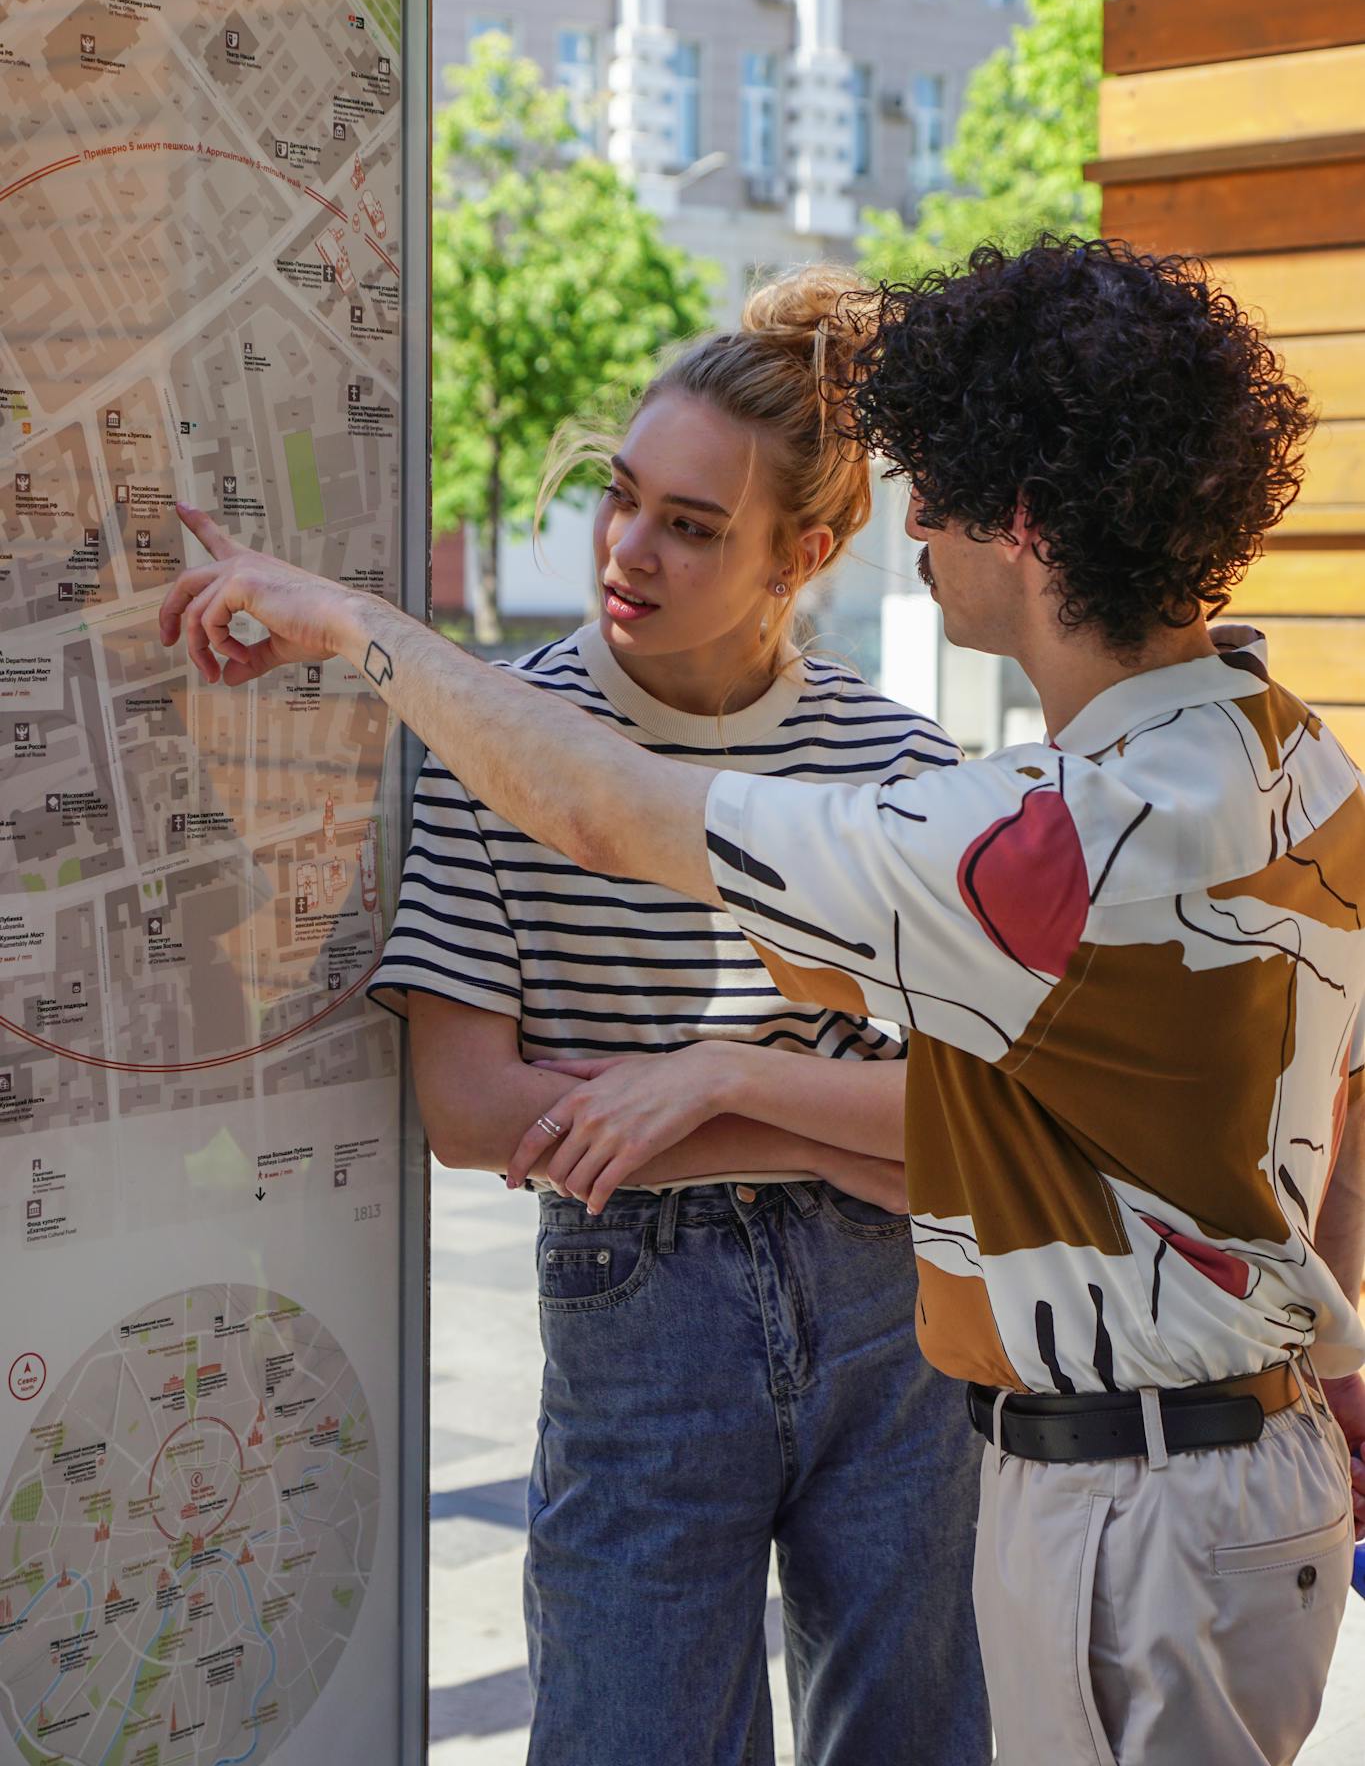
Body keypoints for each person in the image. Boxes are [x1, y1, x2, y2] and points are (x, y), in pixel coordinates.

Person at [162, 237, 1365, 1766]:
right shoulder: (1299, 761)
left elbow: (616, 814)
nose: (911, 523)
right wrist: (1329, 1361)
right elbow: (1323, 1089)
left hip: (1122, 1500)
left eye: (942, 487)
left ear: (1025, 518)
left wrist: (353, 627)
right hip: (1232, 1469)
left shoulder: (1015, 839)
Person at [364, 267, 990, 1766]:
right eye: (619, 495)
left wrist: (681, 1090)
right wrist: (808, 1113)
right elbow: (470, 1114)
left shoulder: (899, 760)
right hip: (635, 1310)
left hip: (894, 1323)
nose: (626, 550)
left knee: (915, 1740)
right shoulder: (498, 745)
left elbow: (966, 1130)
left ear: (809, 552)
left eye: (692, 525)